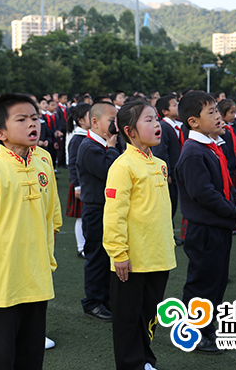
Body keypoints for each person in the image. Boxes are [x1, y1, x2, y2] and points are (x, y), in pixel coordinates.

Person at [0, 93, 61, 369]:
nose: (32, 124)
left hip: (37, 279)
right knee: (1, 358)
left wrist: (48, 261)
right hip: (2, 285)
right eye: (22, 119)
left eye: (35, 118)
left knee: (31, 356)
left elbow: (52, 214)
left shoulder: (43, 162)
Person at [176, 91, 236, 353]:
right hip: (204, 229)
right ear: (193, 121)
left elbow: (226, 183)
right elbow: (204, 194)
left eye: (217, 111)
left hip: (218, 226)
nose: (218, 116)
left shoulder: (213, 146)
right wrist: (233, 211)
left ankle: (207, 327)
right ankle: (193, 331)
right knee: (202, 282)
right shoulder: (193, 152)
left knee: (218, 280)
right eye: (211, 112)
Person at [104, 100, 176, 370]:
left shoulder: (160, 163)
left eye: (156, 118)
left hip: (158, 256)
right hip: (132, 261)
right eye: (149, 120)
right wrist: (119, 253)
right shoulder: (122, 166)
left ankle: (145, 361)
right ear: (129, 131)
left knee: (149, 314)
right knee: (127, 318)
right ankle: (130, 364)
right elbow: (114, 214)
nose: (157, 124)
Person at [76, 101, 120, 322]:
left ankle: (106, 299)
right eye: (111, 120)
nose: (115, 125)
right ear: (94, 122)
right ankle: (93, 302)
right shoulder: (88, 146)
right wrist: (111, 148)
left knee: (108, 256)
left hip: (108, 208)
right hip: (96, 210)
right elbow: (110, 172)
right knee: (96, 257)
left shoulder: (105, 143)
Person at [153, 95, 183, 234]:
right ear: (165, 111)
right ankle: (167, 235)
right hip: (169, 174)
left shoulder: (175, 125)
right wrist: (166, 173)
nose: (178, 107)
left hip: (175, 173)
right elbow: (161, 152)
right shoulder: (164, 126)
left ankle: (170, 235)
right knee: (168, 205)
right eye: (174, 105)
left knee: (173, 204)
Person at [66, 103, 90, 258]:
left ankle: (87, 245)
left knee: (87, 216)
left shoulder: (88, 136)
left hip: (88, 182)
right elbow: (72, 163)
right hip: (80, 183)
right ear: (80, 120)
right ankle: (81, 247)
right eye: (90, 116)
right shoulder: (77, 139)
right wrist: (77, 186)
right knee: (81, 217)